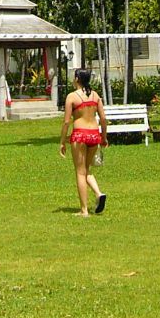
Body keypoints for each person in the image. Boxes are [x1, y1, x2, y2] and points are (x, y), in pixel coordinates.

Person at [59, 68, 108, 216]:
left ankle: (84, 210)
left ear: (77, 79)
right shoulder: (95, 96)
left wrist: (62, 141)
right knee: (86, 169)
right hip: (94, 134)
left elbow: (66, 122)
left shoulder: (72, 97)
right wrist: (104, 137)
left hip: (80, 135)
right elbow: (103, 119)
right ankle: (98, 193)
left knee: (80, 172)